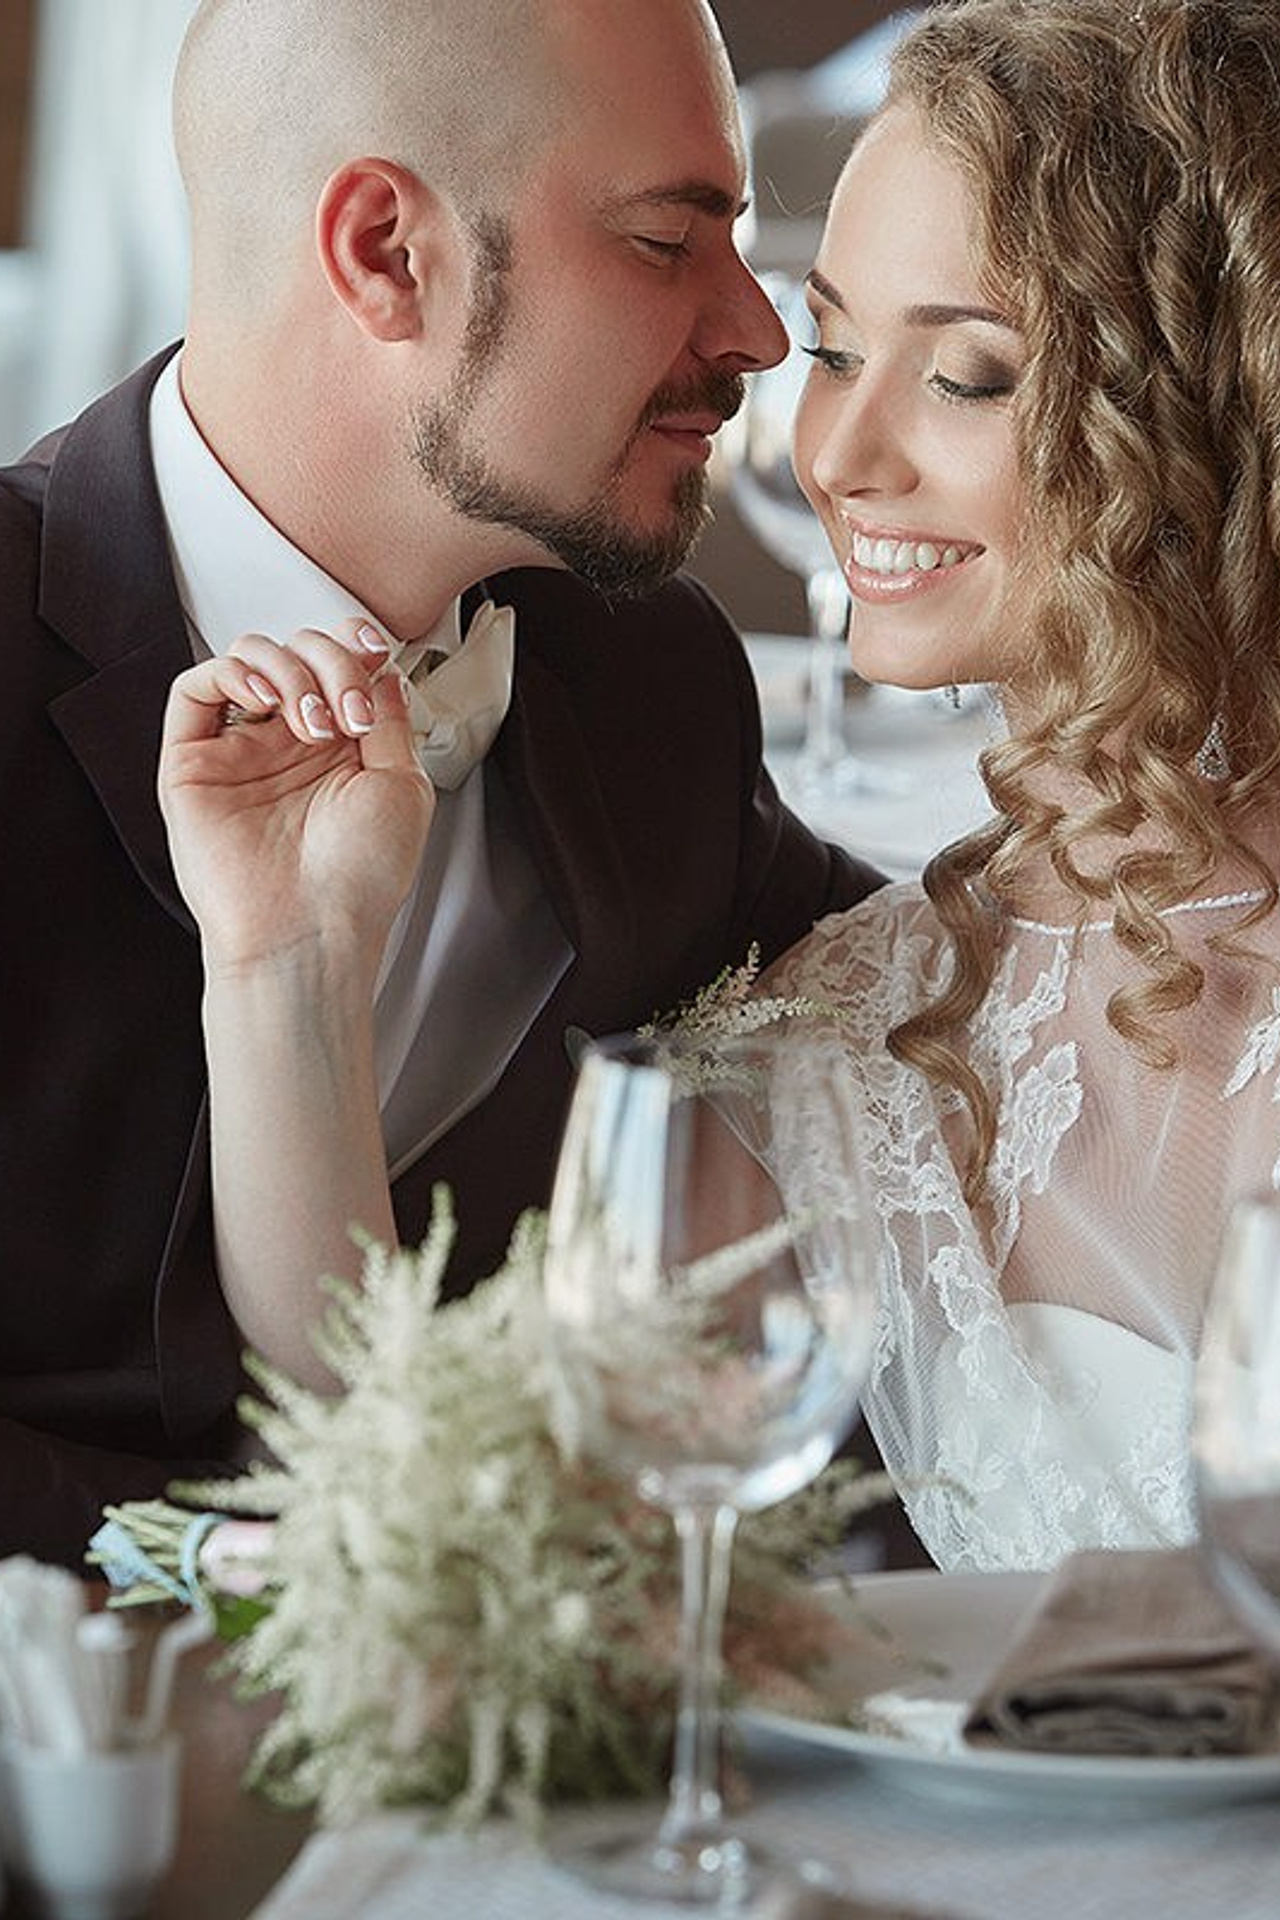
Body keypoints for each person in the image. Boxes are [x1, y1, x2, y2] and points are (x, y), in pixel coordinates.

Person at [0, 0, 884, 1567]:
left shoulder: (647, 676)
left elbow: (949, 1007)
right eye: (666, 243)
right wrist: (234, 1572)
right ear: (387, 254)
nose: (753, 327)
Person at [761, 0, 1280, 1572]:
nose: (837, 452)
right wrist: (283, 977)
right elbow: (464, 1447)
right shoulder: (879, 1009)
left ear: (1209, 410)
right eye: (833, 348)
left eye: (967, 377)